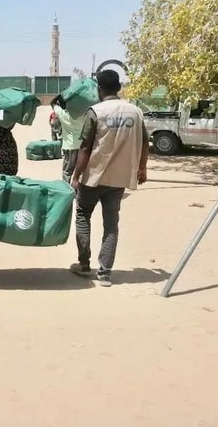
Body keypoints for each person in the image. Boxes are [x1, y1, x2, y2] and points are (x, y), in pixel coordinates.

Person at [69, 70, 149, 287]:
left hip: (93, 177)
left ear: (99, 89)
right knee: (111, 225)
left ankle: (84, 265)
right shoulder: (136, 112)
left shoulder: (96, 112)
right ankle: (105, 273)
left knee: (83, 215)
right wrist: (142, 169)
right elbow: (145, 143)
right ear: (119, 88)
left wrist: (76, 175)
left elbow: (85, 147)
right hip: (119, 179)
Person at [51, 94, 85, 183]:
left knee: (67, 171)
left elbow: (52, 103)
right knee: (80, 171)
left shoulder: (63, 114)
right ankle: (79, 192)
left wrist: (61, 95)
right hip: (82, 146)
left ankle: (67, 191)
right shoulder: (83, 114)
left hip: (69, 147)